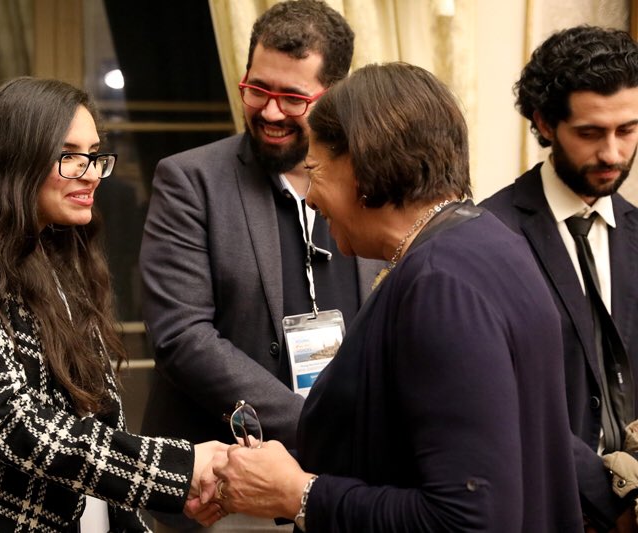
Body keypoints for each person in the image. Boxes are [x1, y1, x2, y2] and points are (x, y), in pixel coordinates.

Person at [199, 62, 584, 532]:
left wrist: (298, 494)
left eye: (314, 171)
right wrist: (280, 472)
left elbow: (466, 519)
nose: (311, 198)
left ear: (360, 167)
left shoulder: (441, 283)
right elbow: (406, 449)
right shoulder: (489, 242)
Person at [0, 76, 226, 533]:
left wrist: (158, 489)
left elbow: (95, 416)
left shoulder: (59, 246)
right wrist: (175, 470)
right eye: (70, 155)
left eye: (94, 154)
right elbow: (7, 421)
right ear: (14, 157)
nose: (92, 173)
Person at [140, 5, 380, 529]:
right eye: (257, 89)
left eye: (292, 98)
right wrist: (317, 427)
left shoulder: (371, 182)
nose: (270, 112)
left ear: (335, 94)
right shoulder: (190, 181)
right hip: (220, 490)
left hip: (346, 486)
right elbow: (182, 336)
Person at [482, 25, 638, 531]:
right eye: (590, 133)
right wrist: (609, 501)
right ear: (544, 123)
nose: (612, 154)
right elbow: (503, 399)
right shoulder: (488, 234)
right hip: (543, 510)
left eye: (627, 130)